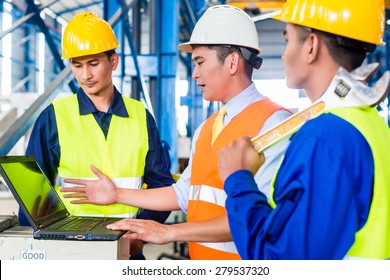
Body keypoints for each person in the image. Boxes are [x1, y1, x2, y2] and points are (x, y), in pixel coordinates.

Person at [60, 5, 292, 260]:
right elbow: (183, 194)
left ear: (233, 62)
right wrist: (116, 194)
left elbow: (258, 217)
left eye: (200, 62)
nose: (194, 74)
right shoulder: (207, 127)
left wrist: (169, 232)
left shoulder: (274, 124)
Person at [218, 0, 390, 259]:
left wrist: (238, 178)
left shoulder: (324, 138)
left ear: (311, 46)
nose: (283, 55)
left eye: (287, 40)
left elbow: (283, 261)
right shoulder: (371, 123)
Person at [19, 12, 174, 260]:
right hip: (69, 248)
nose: (85, 75)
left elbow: (162, 186)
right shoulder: (54, 117)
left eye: (93, 63)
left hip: (127, 244)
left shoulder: (141, 116)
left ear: (113, 61)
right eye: (77, 65)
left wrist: (140, 234)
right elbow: (32, 197)